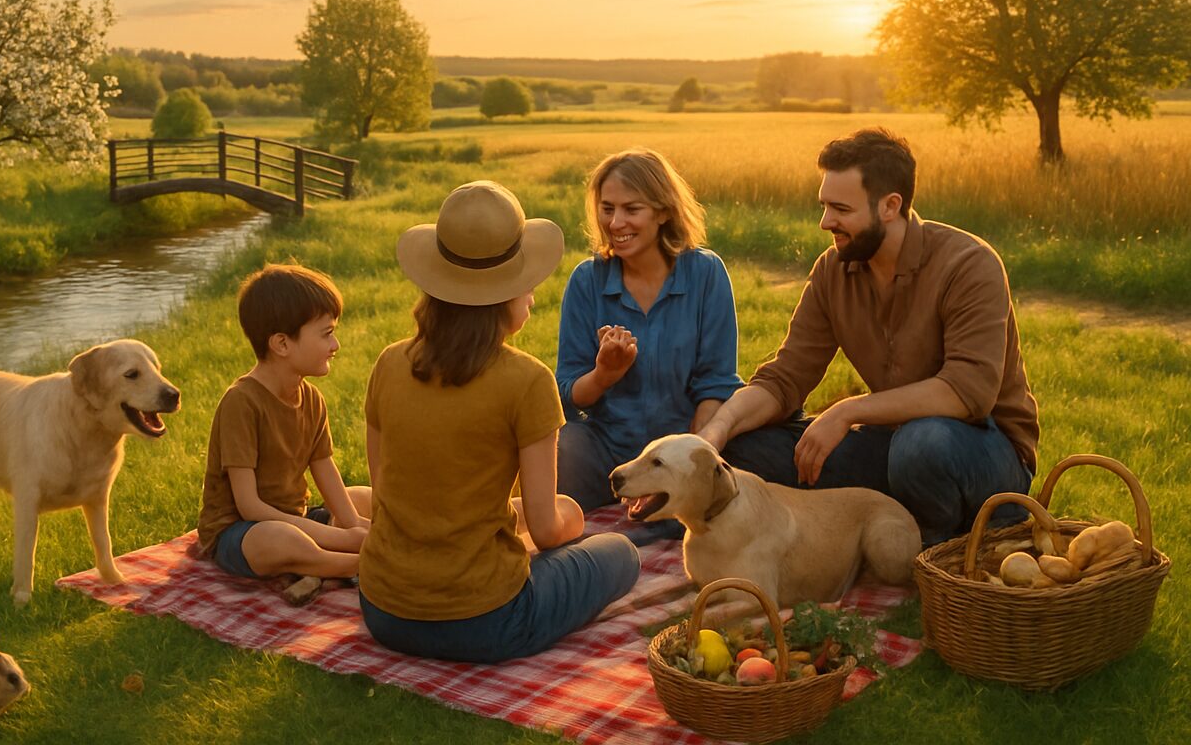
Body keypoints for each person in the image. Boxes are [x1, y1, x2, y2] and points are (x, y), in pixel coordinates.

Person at [695, 128, 1039, 546]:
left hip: (982, 450)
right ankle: (873, 525)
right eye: (824, 206)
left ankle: (937, 549)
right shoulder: (833, 269)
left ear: (890, 205)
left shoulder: (969, 263)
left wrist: (846, 411)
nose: (825, 222)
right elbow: (785, 378)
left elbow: (967, 393)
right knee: (746, 449)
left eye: (840, 209)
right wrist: (717, 430)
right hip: (892, 444)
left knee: (922, 444)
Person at [358, 181, 641, 664]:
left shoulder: (389, 363)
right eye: (525, 280)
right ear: (504, 292)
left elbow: (386, 488)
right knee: (620, 552)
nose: (532, 292)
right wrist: (571, 515)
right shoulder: (526, 381)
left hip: (384, 609)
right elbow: (547, 530)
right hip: (486, 621)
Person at [555, 149, 746, 519]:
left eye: (632, 209)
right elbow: (568, 391)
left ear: (663, 211)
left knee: (756, 449)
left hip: (678, 453)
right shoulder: (586, 280)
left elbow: (717, 384)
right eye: (607, 208)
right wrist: (604, 374)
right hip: (606, 449)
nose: (616, 222)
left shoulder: (705, 273)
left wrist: (691, 456)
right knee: (565, 445)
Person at [197, 264, 371, 602]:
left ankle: (324, 565)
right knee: (281, 539)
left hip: (298, 518)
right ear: (281, 343)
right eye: (326, 333)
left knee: (365, 497)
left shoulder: (312, 399)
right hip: (241, 533)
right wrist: (348, 539)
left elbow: (325, 470)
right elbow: (250, 507)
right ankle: (357, 564)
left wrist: (353, 526)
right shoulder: (242, 402)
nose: (335, 344)